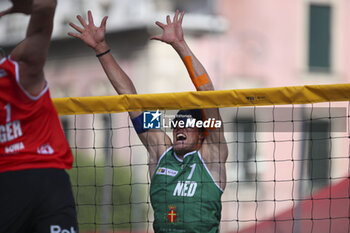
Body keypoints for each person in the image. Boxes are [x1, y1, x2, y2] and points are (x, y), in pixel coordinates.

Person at [69, 10, 228, 233]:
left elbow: (206, 92)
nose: (180, 128)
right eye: (177, 124)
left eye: (188, 125)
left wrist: (180, 45)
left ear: (203, 133)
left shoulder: (212, 155)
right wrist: (101, 49)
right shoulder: (161, 150)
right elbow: (131, 97)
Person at [0, 0, 78, 232]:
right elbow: (46, 6)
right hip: (47, 179)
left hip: (8, 180)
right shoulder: (21, 70)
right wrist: (27, 7)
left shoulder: (19, 70)